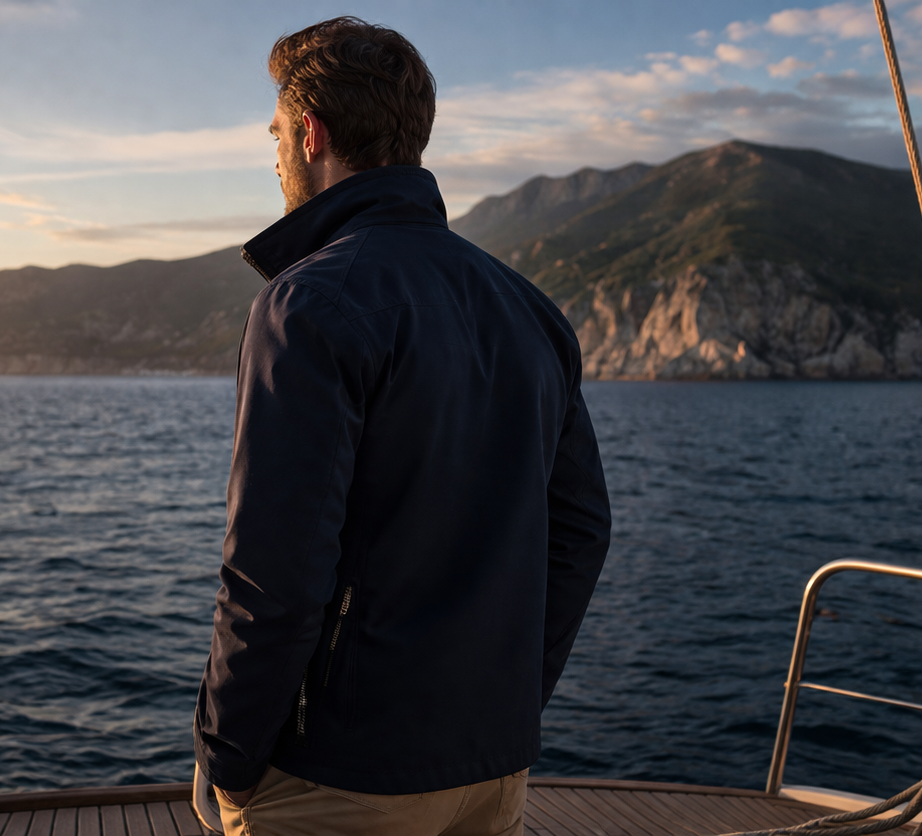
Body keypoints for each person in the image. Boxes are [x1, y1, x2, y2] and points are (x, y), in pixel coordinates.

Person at [192, 16, 612, 836]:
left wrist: (224, 753)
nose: (273, 150)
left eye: (275, 131)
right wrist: (508, 707)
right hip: (489, 767)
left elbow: (275, 574)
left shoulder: (307, 302)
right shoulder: (529, 310)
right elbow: (581, 533)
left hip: (341, 778)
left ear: (309, 134)